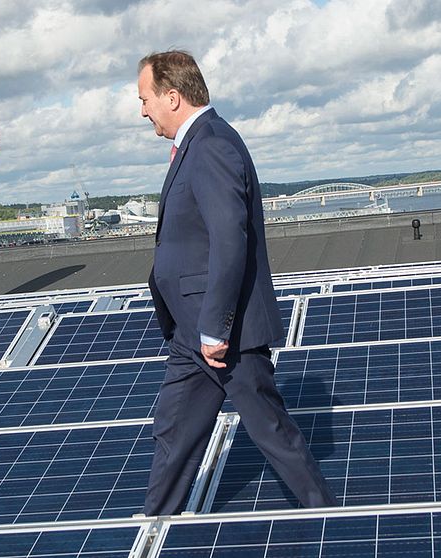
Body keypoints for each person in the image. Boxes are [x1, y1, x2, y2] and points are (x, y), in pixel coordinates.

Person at [137, 50, 337, 516]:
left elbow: (230, 239)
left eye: (144, 99)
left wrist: (215, 328)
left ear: (171, 96)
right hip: (192, 332)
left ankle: (331, 521)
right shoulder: (198, 143)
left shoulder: (210, 144)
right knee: (174, 432)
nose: (142, 110)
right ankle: (153, 525)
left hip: (222, 333)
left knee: (270, 430)